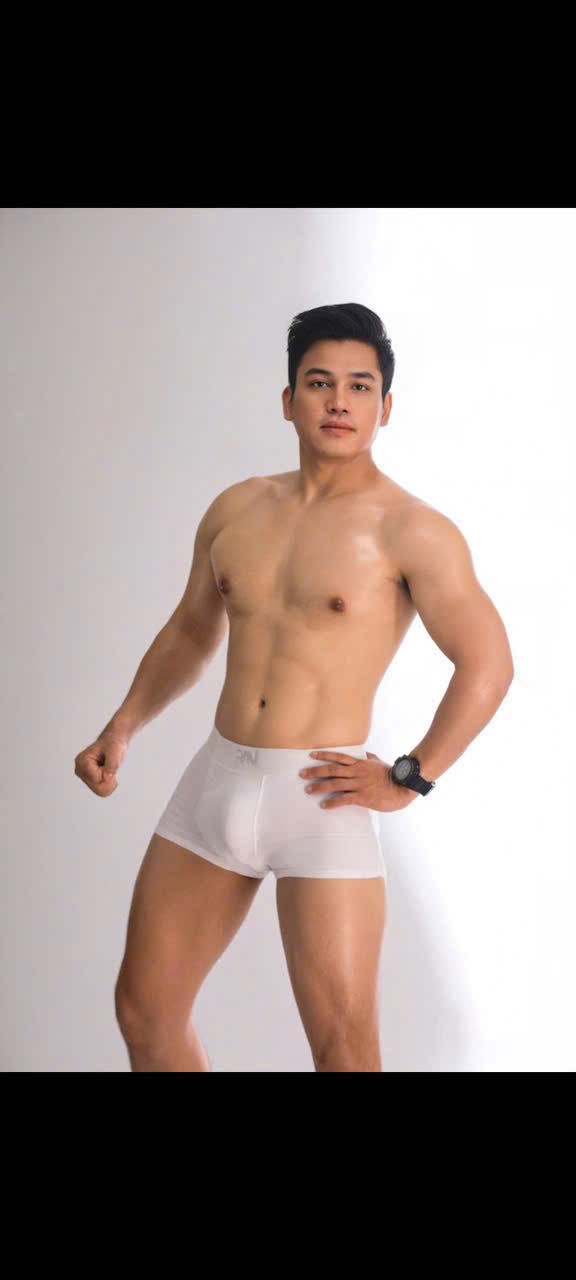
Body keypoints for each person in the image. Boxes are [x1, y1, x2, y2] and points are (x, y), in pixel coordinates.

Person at [74, 302, 514, 1072]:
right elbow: (192, 631)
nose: (339, 401)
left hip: (322, 799)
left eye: (359, 386)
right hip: (215, 782)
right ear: (289, 400)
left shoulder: (410, 529)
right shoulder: (237, 509)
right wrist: (123, 726)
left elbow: (489, 663)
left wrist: (411, 777)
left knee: (344, 1049)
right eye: (319, 382)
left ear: (385, 406)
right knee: (144, 1012)